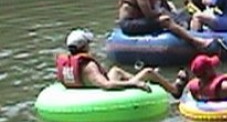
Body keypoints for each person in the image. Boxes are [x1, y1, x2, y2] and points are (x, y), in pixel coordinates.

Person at [55, 29, 188, 98]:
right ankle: (174, 90)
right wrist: (134, 84)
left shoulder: (68, 62)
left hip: (87, 87)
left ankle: (150, 80)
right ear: (84, 47)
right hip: (103, 94)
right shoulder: (88, 66)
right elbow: (106, 85)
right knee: (148, 72)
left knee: (115, 70)